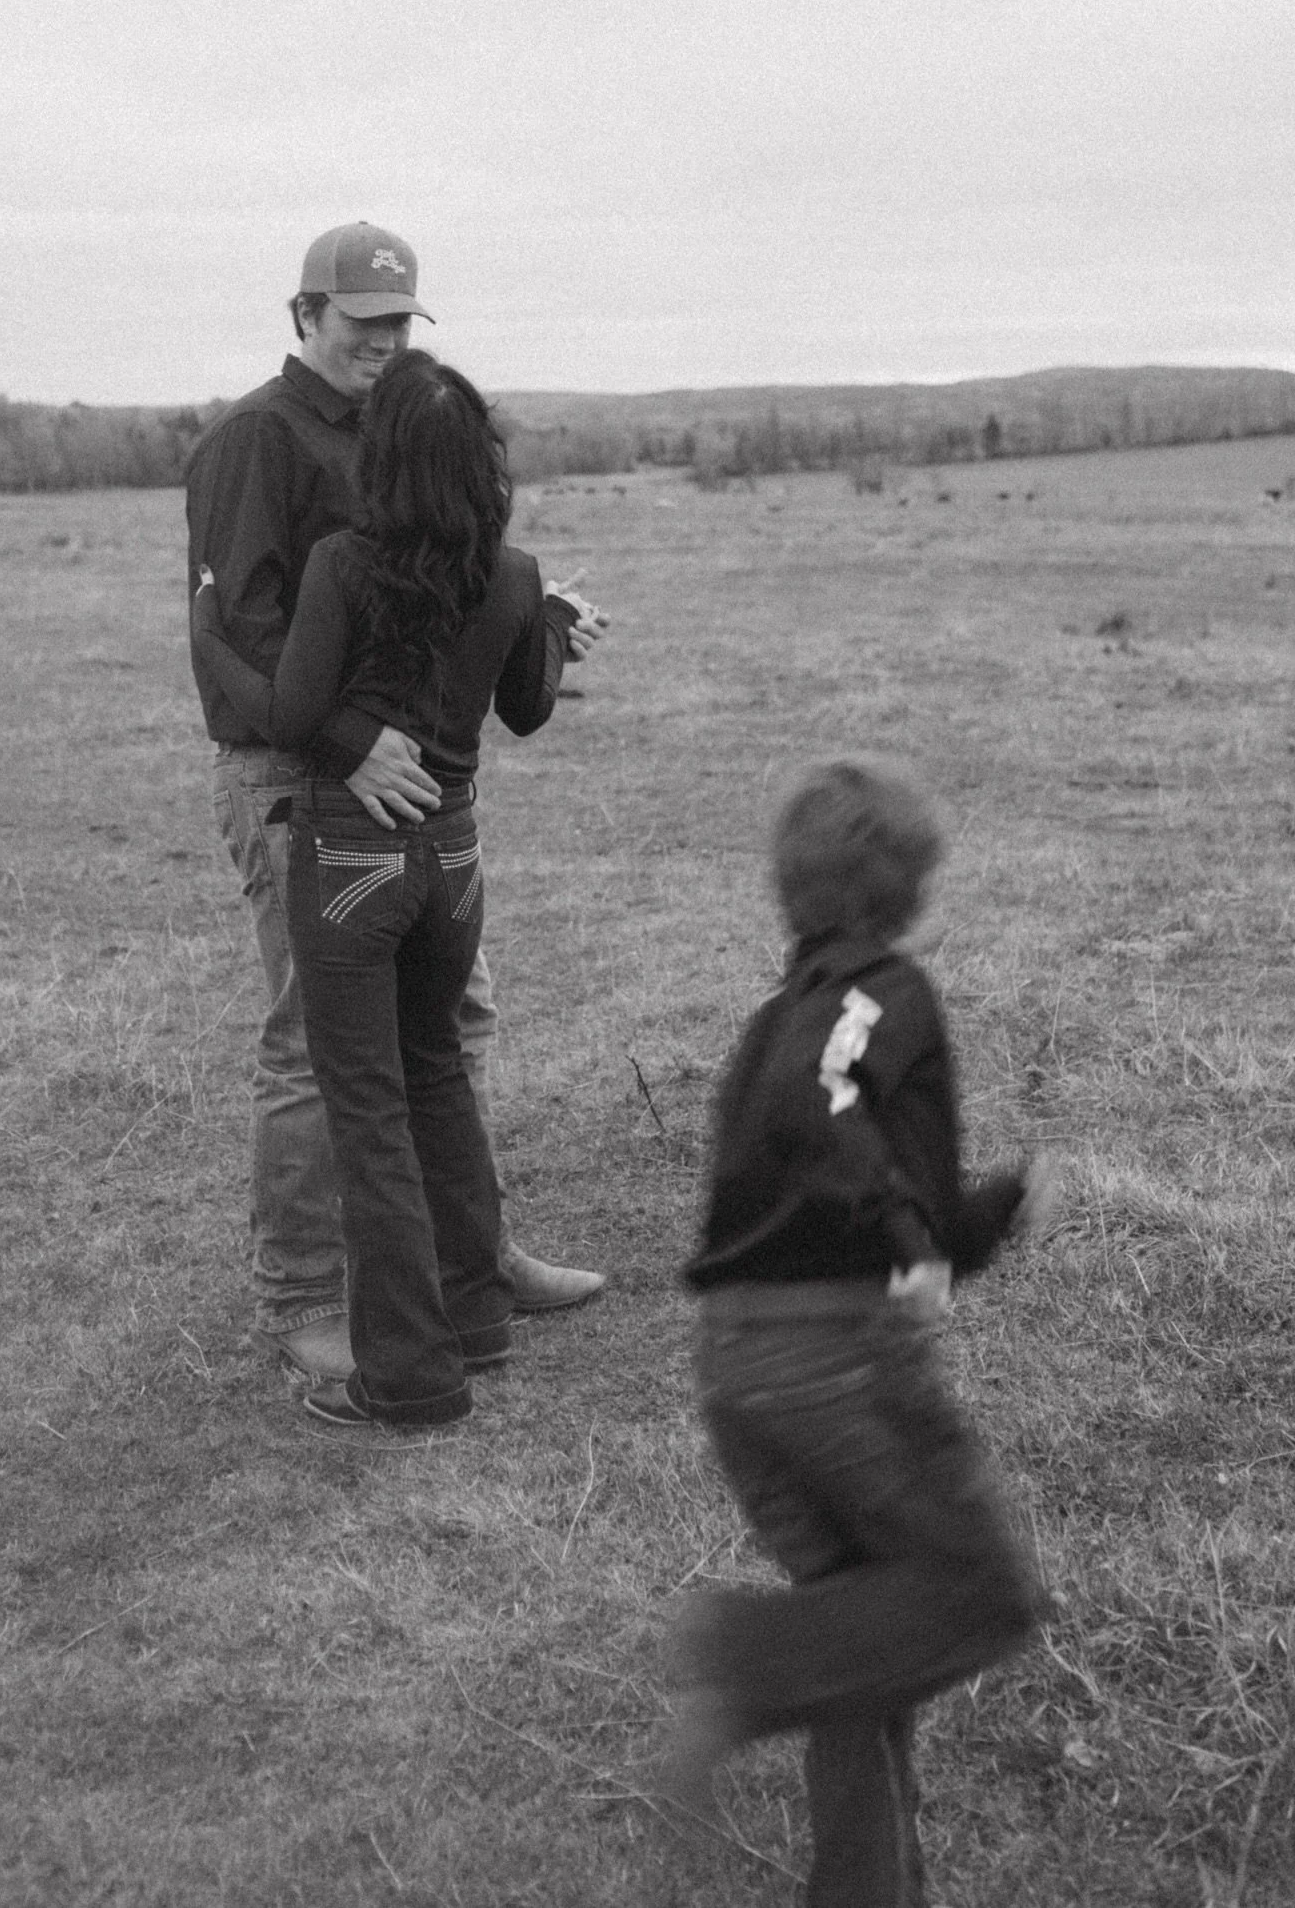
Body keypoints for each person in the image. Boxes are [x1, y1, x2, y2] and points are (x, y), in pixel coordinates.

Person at [185, 222, 604, 1387]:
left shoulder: (399, 428)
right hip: (293, 781)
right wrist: (354, 739)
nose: (380, 341)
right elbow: (251, 636)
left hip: (414, 802)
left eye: (397, 323)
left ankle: (465, 1259)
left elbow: (422, 588)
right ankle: (310, 1295)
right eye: (360, 321)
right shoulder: (250, 447)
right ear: (304, 315)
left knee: (450, 1026)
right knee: (316, 1053)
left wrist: (525, 608)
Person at [660, 762, 1057, 1907]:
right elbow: (821, 1104)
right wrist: (907, 1232)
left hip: (740, 1362)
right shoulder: (876, 993)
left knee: (864, 1652)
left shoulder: (775, 1017)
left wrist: (977, 1219)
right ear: (908, 888)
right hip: (833, 1362)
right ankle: (744, 1670)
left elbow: (825, 1183)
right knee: (982, 1591)